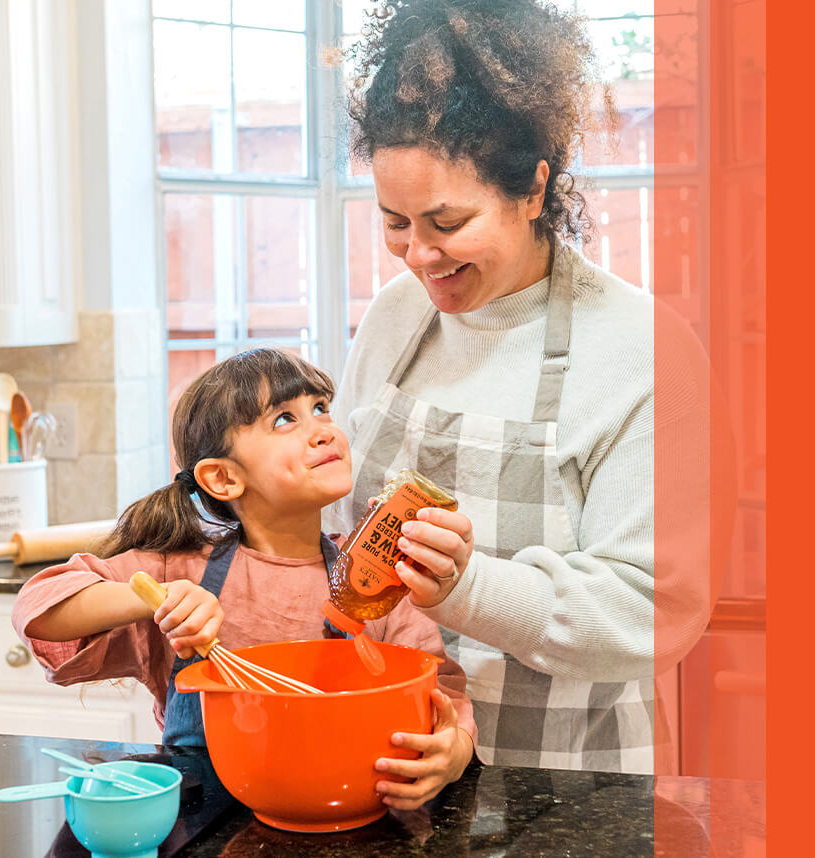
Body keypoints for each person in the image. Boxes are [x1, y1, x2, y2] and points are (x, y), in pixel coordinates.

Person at [326, 0, 710, 773]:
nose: (417, 255)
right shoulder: (398, 317)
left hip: (568, 787)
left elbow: (652, 609)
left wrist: (465, 588)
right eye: (394, 221)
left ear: (533, 190)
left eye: (445, 220)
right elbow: (335, 533)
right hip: (393, 773)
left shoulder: (640, 348)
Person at [12, 348, 477, 809]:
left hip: (348, 810)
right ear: (223, 478)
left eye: (320, 408)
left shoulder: (370, 579)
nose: (323, 430)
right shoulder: (181, 569)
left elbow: (440, 694)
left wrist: (453, 751)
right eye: (284, 419)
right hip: (204, 820)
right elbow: (40, 609)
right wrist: (154, 599)